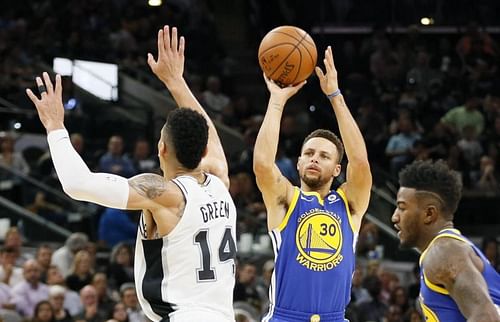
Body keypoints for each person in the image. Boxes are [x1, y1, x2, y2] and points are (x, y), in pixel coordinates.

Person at [26, 25, 236, 322]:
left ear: (161, 148)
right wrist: (176, 81)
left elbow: (77, 184)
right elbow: (210, 137)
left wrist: (55, 127)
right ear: (203, 151)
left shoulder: (164, 195)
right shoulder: (219, 182)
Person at [253, 46, 372, 322]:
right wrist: (277, 102)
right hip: (285, 317)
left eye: (323, 156)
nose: (314, 159)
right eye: (308, 154)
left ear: (337, 168)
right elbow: (261, 164)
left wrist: (335, 96)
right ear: (297, 163)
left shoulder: (349, 204)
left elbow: (362, 163)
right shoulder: (286, 199)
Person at [392, 160, 500, 322]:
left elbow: (486, 317)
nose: (394, 217)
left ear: (429, 214)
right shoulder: (450, 249)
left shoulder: (444, 251)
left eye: (402, 207)